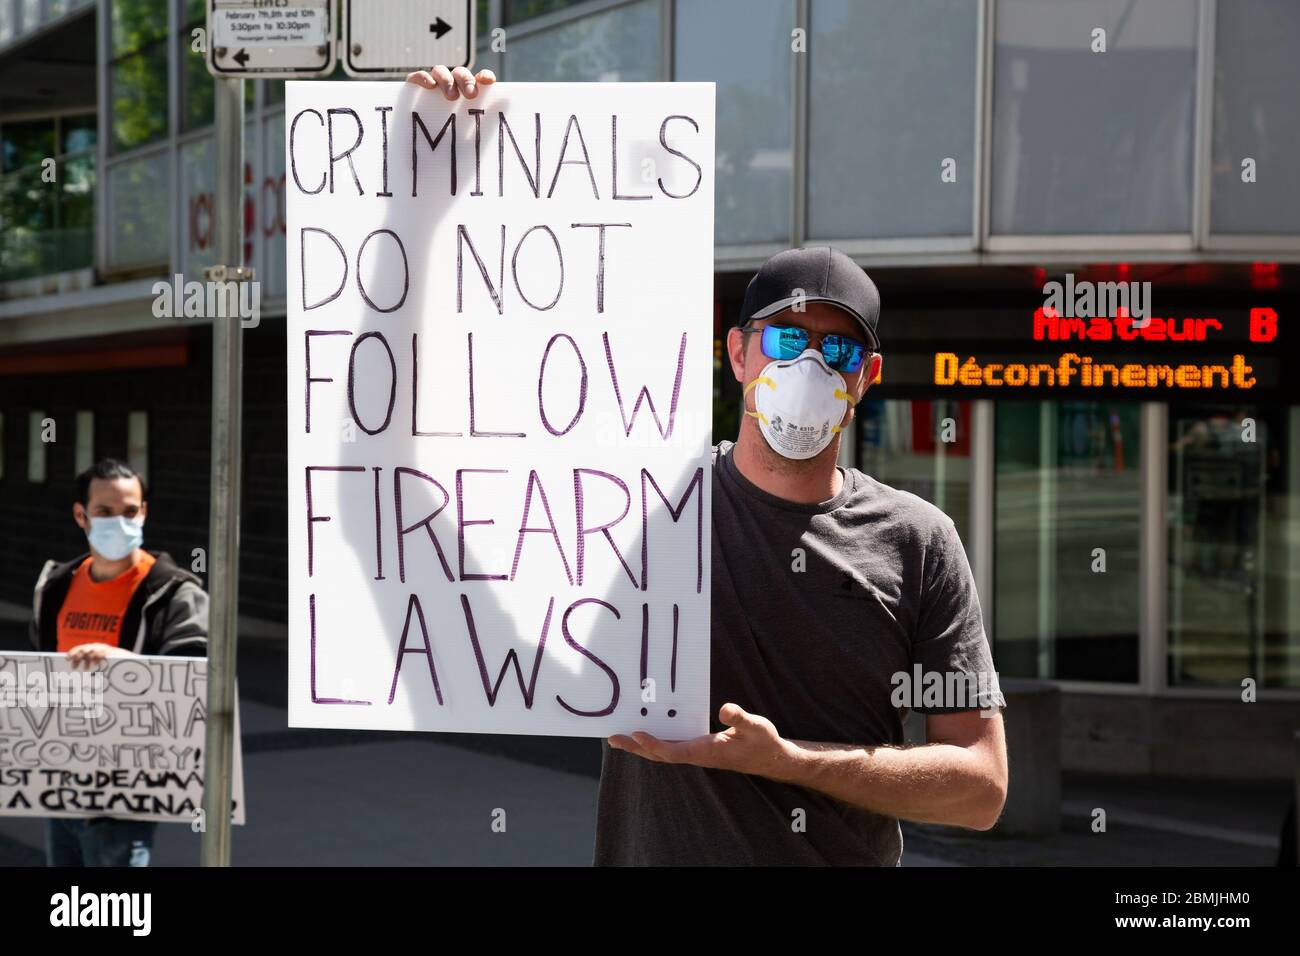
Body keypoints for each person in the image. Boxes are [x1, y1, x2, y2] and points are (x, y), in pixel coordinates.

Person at [408, 66, 1007, 865]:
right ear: (738, 353)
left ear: (866, 377)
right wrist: (444, 160)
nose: (811, 366)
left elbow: (982, 784)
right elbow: (467, 391)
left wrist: (789, 763)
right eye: (788, 340)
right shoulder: (638, 501)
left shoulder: (916, 540)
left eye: (839, 349)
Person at [29, 458, 209, 867]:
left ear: (144, 512)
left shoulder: (175, 595)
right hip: (62, 784)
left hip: (126, 792)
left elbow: (195, 686)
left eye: (130, 511)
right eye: (104, 512)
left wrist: (125, 665)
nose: (119, 522)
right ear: (81, 515)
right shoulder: (55, 587)